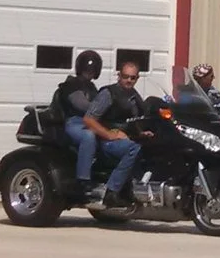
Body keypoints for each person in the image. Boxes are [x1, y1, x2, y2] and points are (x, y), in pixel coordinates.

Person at [79, 55, 149, 207]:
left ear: (137, 78)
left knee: (149, 147)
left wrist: (142, 133)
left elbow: (133, 120)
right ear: (119, 75)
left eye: (133, 77)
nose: (129, 80)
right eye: (125, 76)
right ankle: (112, 192)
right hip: (107, 143)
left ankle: (134, 189)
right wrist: (109, 135)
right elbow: (89, 119)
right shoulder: (108, 93)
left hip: (126, 139)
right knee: (134, 149)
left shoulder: (134, 96)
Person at [50, 49, 105, 189]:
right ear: (80, 68)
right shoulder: (71, 84)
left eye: (92, 70)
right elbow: (81, 104)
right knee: (88, 136)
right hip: (73, 122)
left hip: (91, 121)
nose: (89, 73)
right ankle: (83, 179)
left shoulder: (92, 87)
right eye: (87, 70)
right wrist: (100, 109)